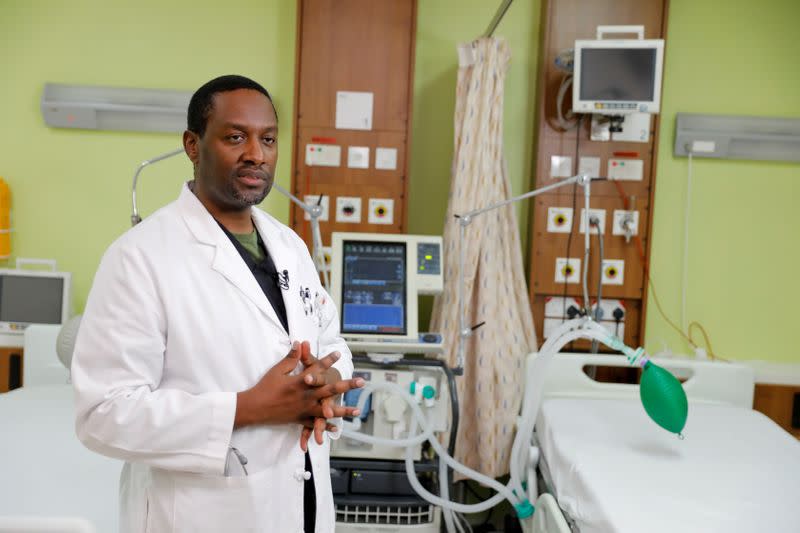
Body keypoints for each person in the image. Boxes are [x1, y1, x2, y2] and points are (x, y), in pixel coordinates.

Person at [71, 75, 363, 533]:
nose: (256, 153)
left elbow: (332, 342)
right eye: (235, 137)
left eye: (267, 139)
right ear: (193, 145)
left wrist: (326, 381)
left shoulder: (290, 247)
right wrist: (248, 408)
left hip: (300, 506)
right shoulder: (140, 257)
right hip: (198, 514)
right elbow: (103, 416)